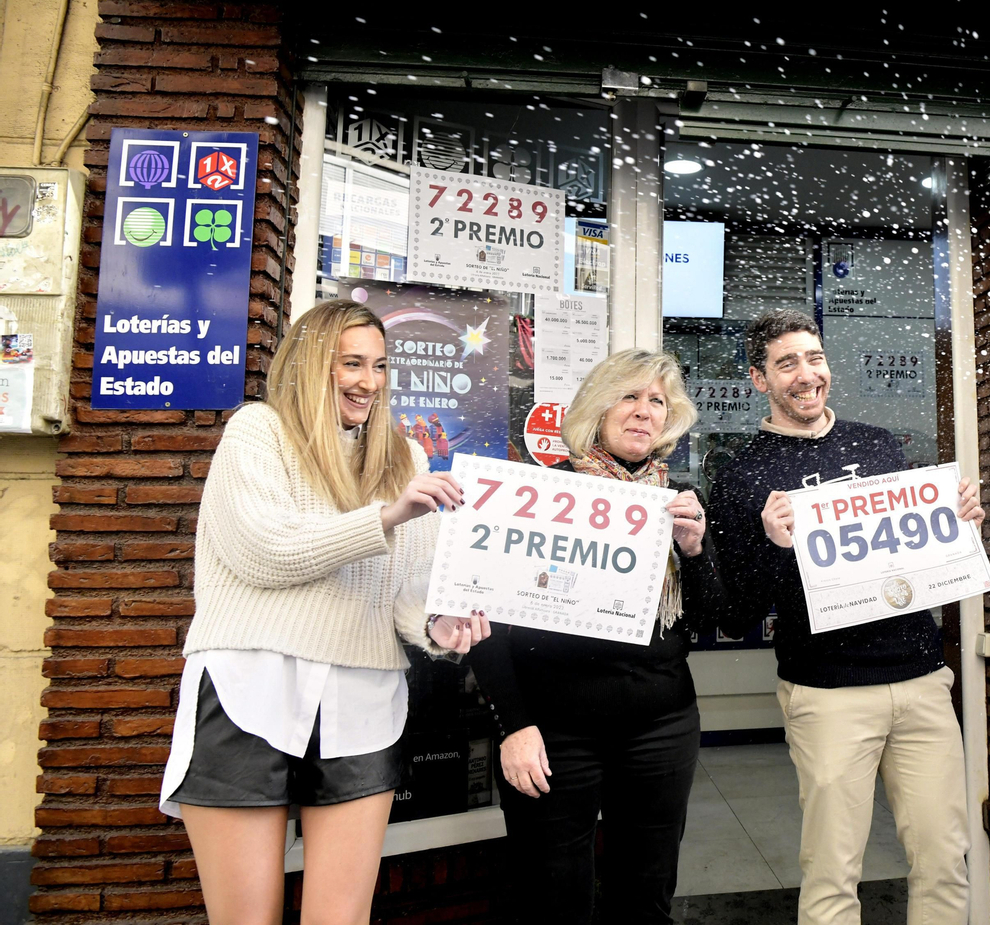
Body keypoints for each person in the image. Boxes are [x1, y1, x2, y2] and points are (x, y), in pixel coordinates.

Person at [157, 300, 491, 925]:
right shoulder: (258, 431)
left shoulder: (403, 458)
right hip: (250, 684)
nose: (369, 381)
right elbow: (264, 552)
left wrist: (436, 626)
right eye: (352, 364)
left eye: (381, 366)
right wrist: (386, 517)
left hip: (362, 696)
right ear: (311, 365)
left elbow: (408, 588)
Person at [709, 309, 984, 925]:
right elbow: (741, 608)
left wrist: (959, 525)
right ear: (759, 380)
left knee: (944, 857)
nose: (807, 376)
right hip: (826, 691)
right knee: (833, 872)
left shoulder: (879, 445)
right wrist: (770, 544)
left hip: (920, 679)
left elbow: (918, 558)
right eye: (787, 364)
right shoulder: (740, 474)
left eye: (814, 358)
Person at [466, 349, 724, 924]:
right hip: (556, 734)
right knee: (554, 899)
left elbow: (712, 619)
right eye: (628, 396)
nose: (643, 411)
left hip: (661, 727)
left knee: (647, 895)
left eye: (656, 401)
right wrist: (514, 725)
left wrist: (695, 550)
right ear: (596, 410)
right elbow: (485, 622)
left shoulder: (679, 501)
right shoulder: (540, 493)